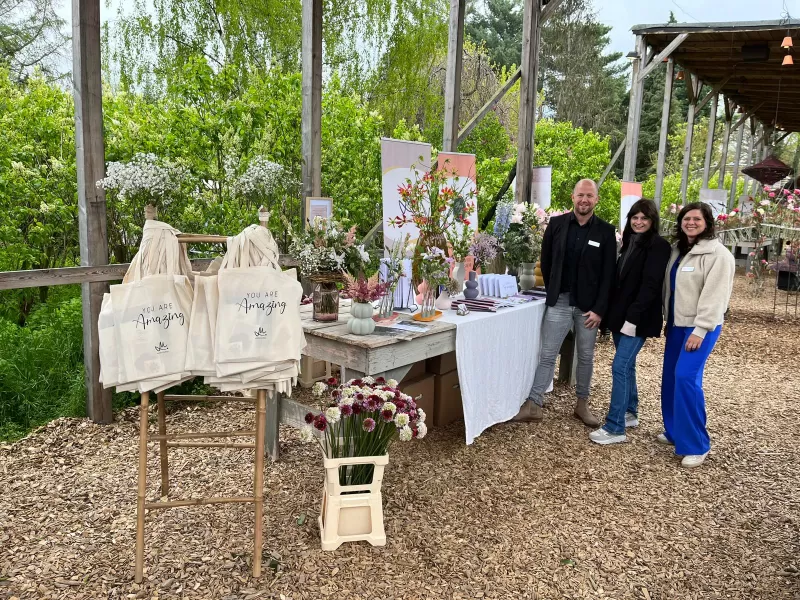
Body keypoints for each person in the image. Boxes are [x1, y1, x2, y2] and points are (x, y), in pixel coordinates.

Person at [514, 179, 617, 425]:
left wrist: (599, 310)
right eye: (581, 195)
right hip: (559, 301)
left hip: (588, 308)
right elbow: (546, 261)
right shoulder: (557, 224)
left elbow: (608, 275)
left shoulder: (605, 231)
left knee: (585, 357)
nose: (585, 200)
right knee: (548, 354)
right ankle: (534, 404)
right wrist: (553, 289)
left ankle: (582, 405)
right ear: (573, 197)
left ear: (596, 200)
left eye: (589, 196)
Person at [589, 199, 671, 445]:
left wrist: (632, 320)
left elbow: (650, 286)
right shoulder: (629, 242)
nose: (639, 221)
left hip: (637, 319)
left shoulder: (659, 246)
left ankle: (615, 427)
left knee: (620, 367)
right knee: (628, 366)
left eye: (644, 218)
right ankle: (630, 412)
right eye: (635, 217)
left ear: (652, 220)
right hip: (619, 317)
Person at [659, 202, 735, 468]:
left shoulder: (718, 255)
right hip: (677, 325)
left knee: (685, 377)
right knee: (670, 378)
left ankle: (696, 443)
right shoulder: (678, 251)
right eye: (686, 219)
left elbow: (716, 297)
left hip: (701, 328)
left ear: (707, 223)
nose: (691, 223)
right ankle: (674, 431)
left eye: (697, 219)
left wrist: (700, 330)